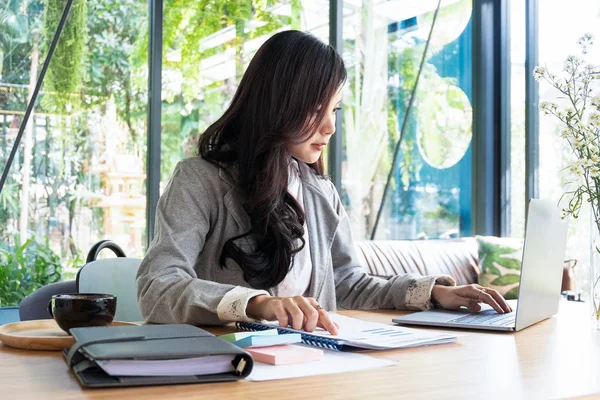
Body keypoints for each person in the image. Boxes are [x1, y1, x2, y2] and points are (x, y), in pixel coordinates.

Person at [136, 30, 511, 335]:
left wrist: (432, 292)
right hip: (232, 369)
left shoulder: (319, 192)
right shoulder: (199, 180)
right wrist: (256, 304)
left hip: (312, 367)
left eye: (334, 110)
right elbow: (158, 287)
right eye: (316, 110)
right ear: (277, 105)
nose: (330, 127)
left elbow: (348, 283)